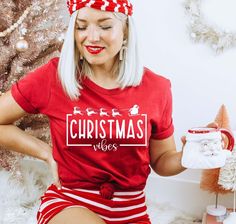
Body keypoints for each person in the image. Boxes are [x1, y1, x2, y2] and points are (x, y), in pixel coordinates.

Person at [0, 0, 190, 223]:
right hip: (70, 202)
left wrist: (192, 155)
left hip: (132, 211)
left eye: (105, 26)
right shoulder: (53, 77)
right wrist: (45, 152)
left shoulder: (156, 88)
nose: (91, 37)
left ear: (126, 29)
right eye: (81, 26)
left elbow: (162, 160)